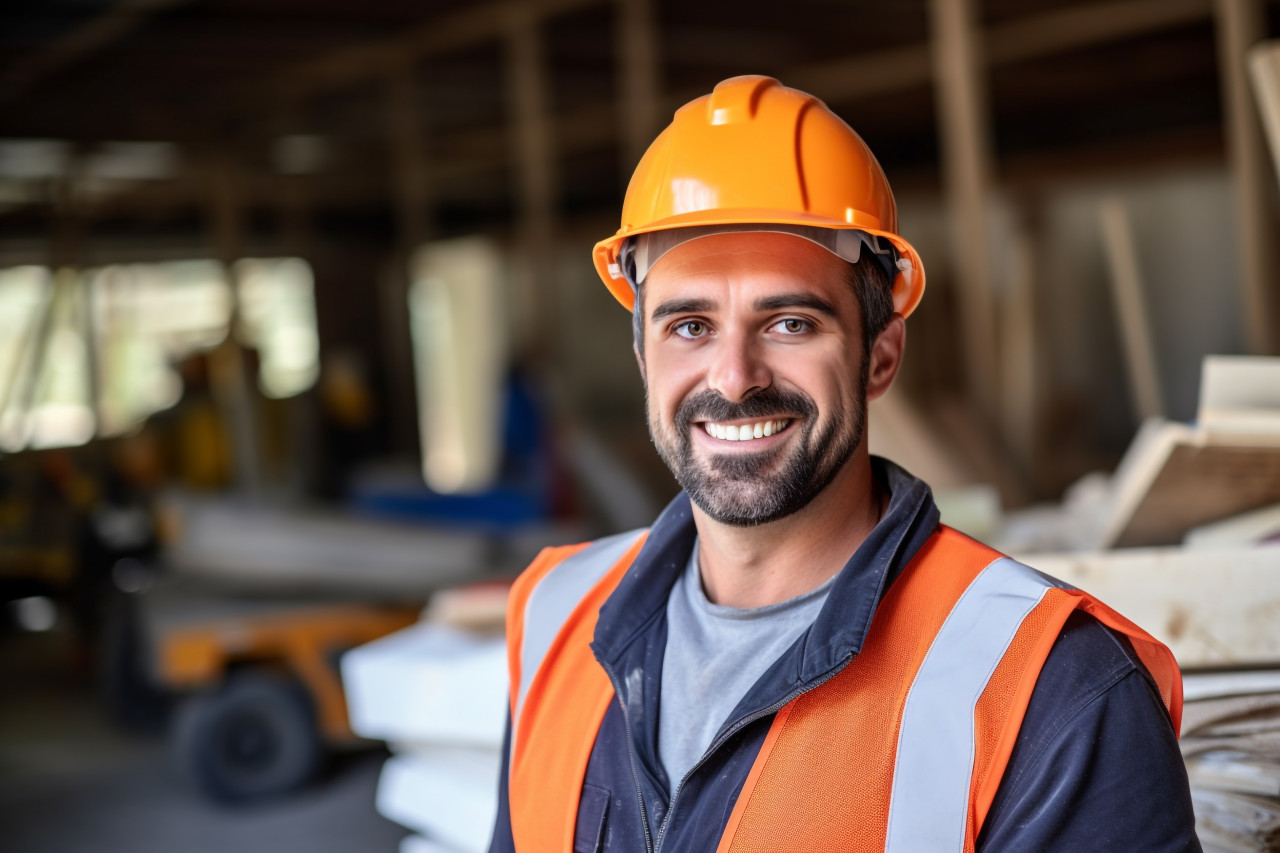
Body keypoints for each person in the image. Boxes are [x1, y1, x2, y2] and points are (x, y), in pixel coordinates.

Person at [489, 75, 1199, 852]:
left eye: (790, 321)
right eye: (689, 326)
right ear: (642, 359)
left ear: (881, 356)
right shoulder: (555, 616)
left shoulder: (1054, 690)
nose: (734, 377)